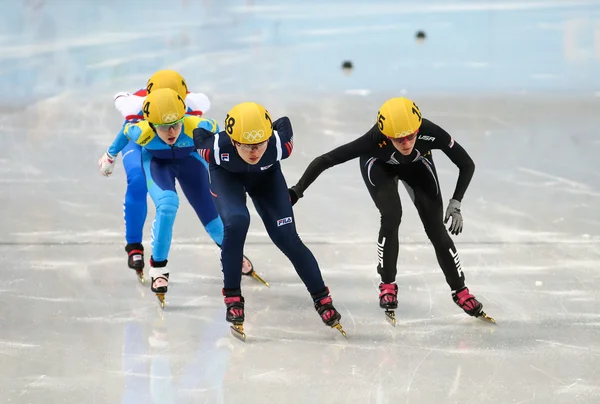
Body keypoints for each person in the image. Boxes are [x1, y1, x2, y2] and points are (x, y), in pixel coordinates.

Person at [289, 97, 494, 324]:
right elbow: (325, 160)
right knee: (391, 215)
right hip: (378, 167)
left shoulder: (430, 132)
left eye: (410, 136)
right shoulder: (372, 140)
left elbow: (466, 164)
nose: (406, 143)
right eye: (398, 139)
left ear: (418, 129)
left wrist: (456, 202)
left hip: (418, 167)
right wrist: (297, 191)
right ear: (387, 136)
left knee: (436, 229)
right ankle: (387, 283)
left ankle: (460, 290)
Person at [193, 102, 346, 340]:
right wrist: (199, 120)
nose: (254, 152)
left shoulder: (279, 145)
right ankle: (233, 296)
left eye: (259, 145)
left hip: (266, 179)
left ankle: (322, 299)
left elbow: (283, 122)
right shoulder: (213, 148)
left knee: (287, 237)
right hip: (227, 178)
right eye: (246, 146)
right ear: (233, 141)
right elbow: (199, 133)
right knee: (236, 223)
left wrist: (266, 138)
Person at [98, 70, 260, 288]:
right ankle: (138, 248)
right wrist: (110, 156)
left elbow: (216, 140)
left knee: (209, 202)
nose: (171, 127)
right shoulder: (134, 110)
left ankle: (230, 249)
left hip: (185, 152)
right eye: (165, 123)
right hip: (152, 152)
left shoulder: (196, 112)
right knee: (145, 187)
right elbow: (126, 132)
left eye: (176, 118)